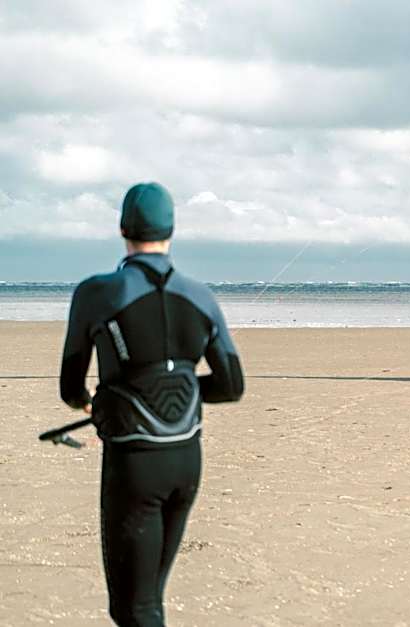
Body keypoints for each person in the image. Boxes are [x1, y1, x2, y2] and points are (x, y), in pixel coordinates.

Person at [59, 182, 244, 626]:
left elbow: (70, 386)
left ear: (123, 228)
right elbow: (231, 385)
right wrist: (172, 390)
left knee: (133, 609)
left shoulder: (96, 292)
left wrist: (95, 402)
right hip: (186, 461)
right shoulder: (200, 295)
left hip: (134, 465)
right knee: (148, 600)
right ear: (172, 229)